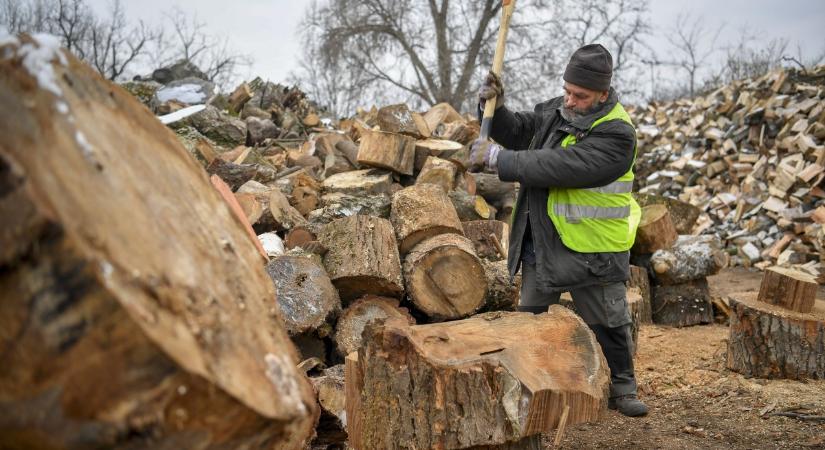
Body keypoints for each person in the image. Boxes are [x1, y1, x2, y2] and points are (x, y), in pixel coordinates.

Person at [469, 43, 648, 417]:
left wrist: (500, 160)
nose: (570, 100)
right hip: (544, 239)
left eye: (580, 96)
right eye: (567, 91)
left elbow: (562, 165)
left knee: (609, 321)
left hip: (594, 246)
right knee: (531, 321)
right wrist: (494, 109)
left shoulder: (617, 133)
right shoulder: (556, 110)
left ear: (603, 93)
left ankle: (623, 387)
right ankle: (530, 390)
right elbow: (519, 132)